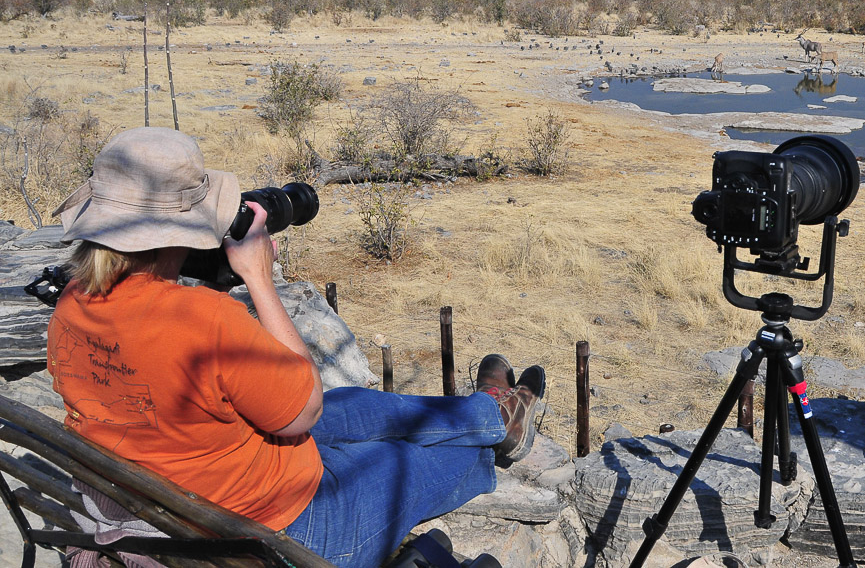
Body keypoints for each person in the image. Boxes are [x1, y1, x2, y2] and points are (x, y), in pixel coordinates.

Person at [46, 127, 545, 568]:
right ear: (186, 228)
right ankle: (490, 439)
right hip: (282, 534)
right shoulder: (206, 320)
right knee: (408, 462)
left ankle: (492, 415)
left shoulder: (72, 303)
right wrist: (258, 278)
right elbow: (303, 410)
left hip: (182, 493)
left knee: (355, 405)